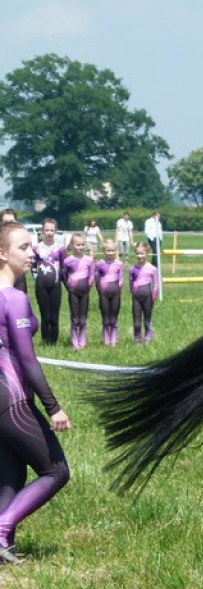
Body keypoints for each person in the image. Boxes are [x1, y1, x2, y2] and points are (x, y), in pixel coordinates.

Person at [0, 222, 72, 564]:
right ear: (2, 254)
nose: (31, 254)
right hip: (12, 400)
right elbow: (27, 360)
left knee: (11, 476)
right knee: (56, 470)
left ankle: (4, 549)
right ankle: (1, 530)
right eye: (23, 248)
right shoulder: (12, 299)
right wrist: (53, 407)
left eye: (31, 247)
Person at [30, 218, 66, 345]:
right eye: (47, 230)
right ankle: (45, 342)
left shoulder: (60, 248)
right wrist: (37, 278)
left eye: (52, 230)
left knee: (54, 317)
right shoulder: (36, 248)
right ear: (42, 231)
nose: (49, 233)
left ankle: (54, 342)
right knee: (45, 316)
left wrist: (65, 282)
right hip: (41, 285)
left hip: (56, 285)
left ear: (55, 231)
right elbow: (33, 266)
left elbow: (63, 267)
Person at [62, 233, 94, 350]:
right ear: (72, 245)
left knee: (83, 318)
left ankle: (82, 341)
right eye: (78, 245)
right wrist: (68, 287)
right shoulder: (68, 261)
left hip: (85, 292)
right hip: (73, 292)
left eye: (82, 244)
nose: (80, 247)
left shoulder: (88, 260)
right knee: (75, 318)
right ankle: (74, 342)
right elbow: (64, 275)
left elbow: (91, 276)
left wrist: (88, 287)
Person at [95, 238, 123, 346]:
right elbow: (96, 280)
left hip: (115, 294)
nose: (110, 253)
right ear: (103, 251)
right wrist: (100, 292)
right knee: (106, 319)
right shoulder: (99, 264)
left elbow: (121, 280)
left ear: (116, 251)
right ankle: (106, 340)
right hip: (104, 294)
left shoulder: (119, 264)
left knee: (114, 320)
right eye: (108, 251)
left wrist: (118, 291)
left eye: (112, 251)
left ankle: (114, 340)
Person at [129, 241, 159, 343]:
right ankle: (137, 339)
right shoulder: (132, 269)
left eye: (142, 253)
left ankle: (148, 337)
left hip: (148, 298)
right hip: (136, 299)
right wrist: (133, 294)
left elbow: (155, 285)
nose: (140, 256)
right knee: (137, 322)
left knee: (147, 321)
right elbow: (131, 283)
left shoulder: (152, 269)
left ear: (147, 253)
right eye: (138, 253)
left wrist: (153, 298)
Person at [1, 209, 28, 294]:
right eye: (5, 222)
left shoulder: (22, 239)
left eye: (12, 222)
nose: (9, 225)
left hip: (18, 276)